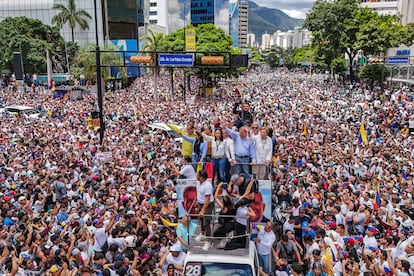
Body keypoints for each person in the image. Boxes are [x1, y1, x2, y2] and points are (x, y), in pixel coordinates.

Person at [194, 170, 214, 251]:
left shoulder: (208, 185)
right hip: (200, 203)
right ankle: (202, 233)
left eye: (198, 175)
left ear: (201, 177)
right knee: (201, 220)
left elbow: (208, 199)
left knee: (207, 221)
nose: (196, 176)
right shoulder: (198, 183)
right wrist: (197, 201)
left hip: (207, 205)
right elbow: (199, 193)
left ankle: (207, 240)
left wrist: (203, 210)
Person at [213, 183, 236, 249]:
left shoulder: (223, 207)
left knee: (216, 234)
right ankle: (228, 235)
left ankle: (225, 238)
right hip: (232, 223)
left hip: (227, 225)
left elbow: (215, 197)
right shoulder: (233, 206)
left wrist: (219, 186)